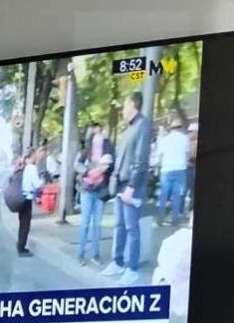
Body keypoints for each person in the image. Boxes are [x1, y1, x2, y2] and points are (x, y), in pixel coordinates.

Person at [105, 90, 152, 281]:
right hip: (120, 184)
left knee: (132, 228)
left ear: (133, 105)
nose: (123, 110)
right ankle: (117, 262)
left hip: (132, 185)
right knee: (119, 226)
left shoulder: (143, 125)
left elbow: (141, 159)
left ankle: (132, 269)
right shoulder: (128, 128)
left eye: (125, 106)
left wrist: (132, 187)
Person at [75, 121, 114, 266]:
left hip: (100, 191)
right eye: (95, 133)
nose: (98, 135)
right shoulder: (86, 151)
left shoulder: (108, 149)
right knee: (85, 223)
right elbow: (77, 165)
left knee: (97, 224)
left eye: (99, 132)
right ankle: (80, 254)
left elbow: (112, 166)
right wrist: (88, 171)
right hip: (87, 189)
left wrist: (105, 168)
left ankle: (95, 254)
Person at [157, 111, 190, 226]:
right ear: (180, 127)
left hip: (166, 170)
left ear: (171, 128)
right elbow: (187, 154)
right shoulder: (185, 139)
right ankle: (174, 220)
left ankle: (160, 219)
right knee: (177, 196)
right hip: (180, 169)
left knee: (163, 195)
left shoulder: (165, 139)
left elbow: (160, 155)